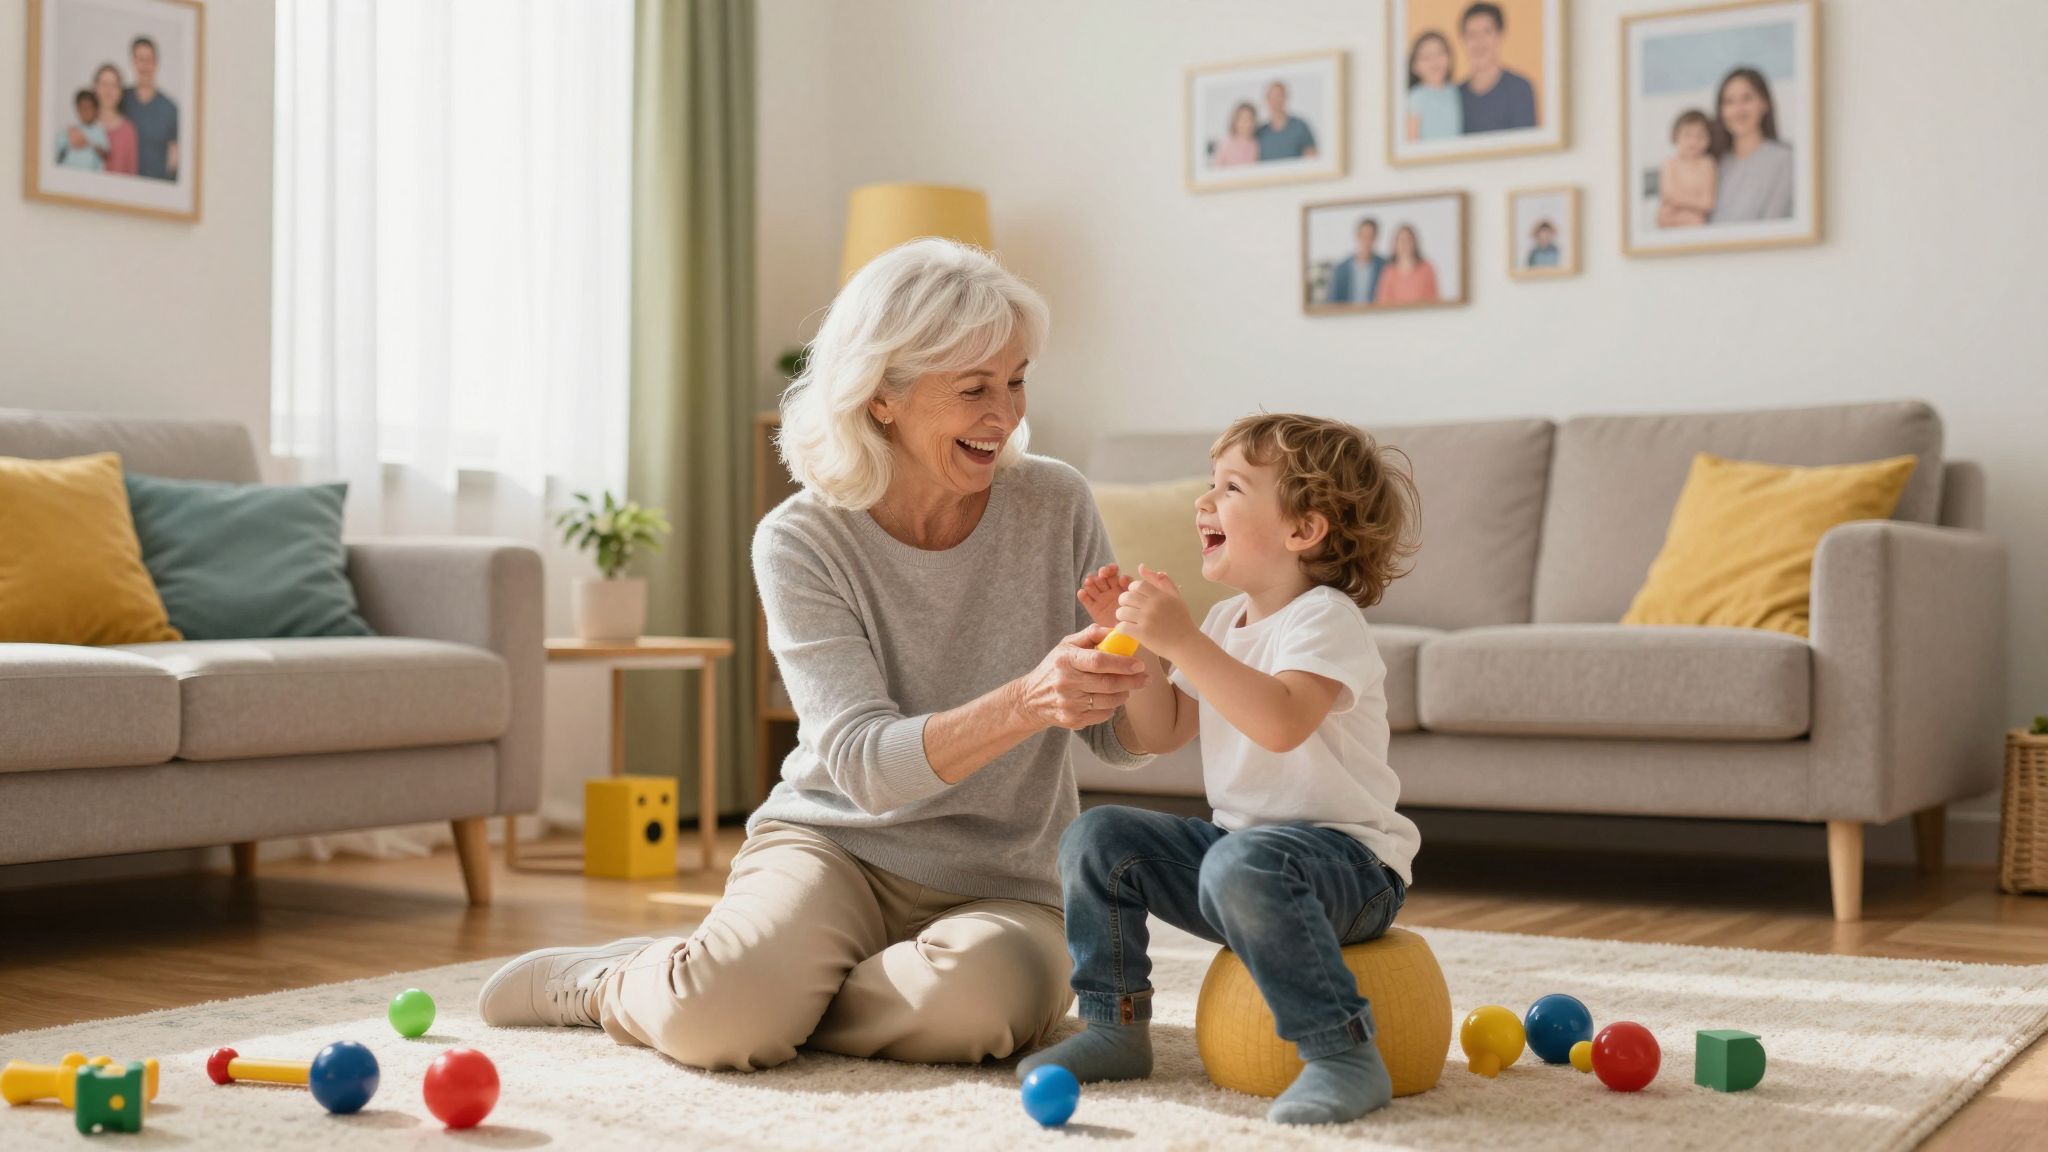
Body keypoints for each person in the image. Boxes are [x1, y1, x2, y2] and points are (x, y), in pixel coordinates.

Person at [478, 239, 1153, 1072]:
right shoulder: (800, 539)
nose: (1006, 414)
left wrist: (1145, 659)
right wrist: (1028, 700)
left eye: (1016, 381)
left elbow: (1116, 739)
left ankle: (751, 986)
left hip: (1006, 881)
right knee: (717, 1029)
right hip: (837, 848)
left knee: (965, 1013)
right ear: (881, 399)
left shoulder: (1056, 502)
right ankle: (625, 982)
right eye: (973, 389)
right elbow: (867, 767)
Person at [1019, 414, 1422, 1127]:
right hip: (1237, 862)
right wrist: (1139, 648)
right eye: (1210, 485)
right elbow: (1164, 729)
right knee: (1100, 836)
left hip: (1350, 869)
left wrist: (1178, 638)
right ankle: (1115, 1025)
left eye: (1230, 488)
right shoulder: (1225, 622)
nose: (1204, 503)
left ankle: (1343, 1055)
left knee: (1242, 863)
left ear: (1303, 530)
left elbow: (1279, 721)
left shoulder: (1324, 618)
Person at [1710, 67, 1794, 223]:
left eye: (1747, 98)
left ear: (1764, 103)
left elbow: (1775, 223)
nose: (1738, 109)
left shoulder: (1784, 159)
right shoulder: (1716, 163)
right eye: (1729, 101)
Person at [1457, 2, 1537, 134]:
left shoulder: (1520, 89)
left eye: (1486, 32)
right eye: (1472, 34)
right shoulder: (1455, 95)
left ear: (1499, 36)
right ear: (1463, 40)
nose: (1479, 42)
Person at [119, 36, 179, 181]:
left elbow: (175, 155)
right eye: (140, 60)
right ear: (133, 62)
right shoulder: (121, 98)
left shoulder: (169, 108)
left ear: (156, 64)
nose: (144, 66)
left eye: (149, 60)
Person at [1658, 109, 1719, 228]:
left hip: (1696, 219)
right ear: (1675, 136)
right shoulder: (1670, 163)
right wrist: (1695, 201)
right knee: (1664, 216)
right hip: (1669, 217)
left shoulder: (1707, 164)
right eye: (1687, 135)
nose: (1693, 141)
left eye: (1700, 136)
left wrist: (1679, 201)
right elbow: (1669, 194)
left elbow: (1708, 203)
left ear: (1709, 139)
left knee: (1697, 220)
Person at [1404, 31, 1462, 141]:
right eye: (1426, 57)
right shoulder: (1415, 97)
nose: (1435, 61)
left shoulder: (1455, 91)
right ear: (1414, 66)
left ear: (1449, 58)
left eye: (1439, 54)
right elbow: (1411, 139)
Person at [88, 64, 137, 176]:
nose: (108, 90)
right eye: (104, 84)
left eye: (114, 85)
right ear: (94, 88)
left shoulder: (128, 130)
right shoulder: (83, 126)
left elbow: (132, 176)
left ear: (120, 92)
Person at [1373, 226, 1441, 306]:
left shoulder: (1427, 268)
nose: (1404, 244)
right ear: (1395, 245)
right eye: (1401, 241)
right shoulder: (1389, 271)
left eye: (1408, 240)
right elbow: (1383, 301)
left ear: (1414, 243)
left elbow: (1433, 298)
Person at [1326, 217, 1386, 306]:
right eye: (1364, 236)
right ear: (1357, 236)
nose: (1367, 241)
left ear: (1376, 238)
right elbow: (1331, 302)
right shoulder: (1341, 269)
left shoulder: (1383, 266)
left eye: (1371, 237)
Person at [1256, 81, 1318, 161]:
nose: (1276, 101)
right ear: (1266, 100)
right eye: (1271, 97)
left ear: (1286, 97)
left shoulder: (1300, 126)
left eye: (1279, 96)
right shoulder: (1260, 133)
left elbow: (1312, 157)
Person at [57, 89, 108, 171]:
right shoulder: (71, 130)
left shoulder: (99, 131)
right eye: (82, 108)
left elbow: (105, 154)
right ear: (77, 110)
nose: (86, 112)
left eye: (89, 108)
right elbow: (57, 150)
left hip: (89, 175)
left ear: (96, 110)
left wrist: (88, 142)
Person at [1213, 101, 1260, 167]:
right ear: (1235, 121)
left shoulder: (1256, 144)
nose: (1246, 123)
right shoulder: (1226, 144)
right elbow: (1216, 169)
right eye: (1242, 119)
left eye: (1249, 119)